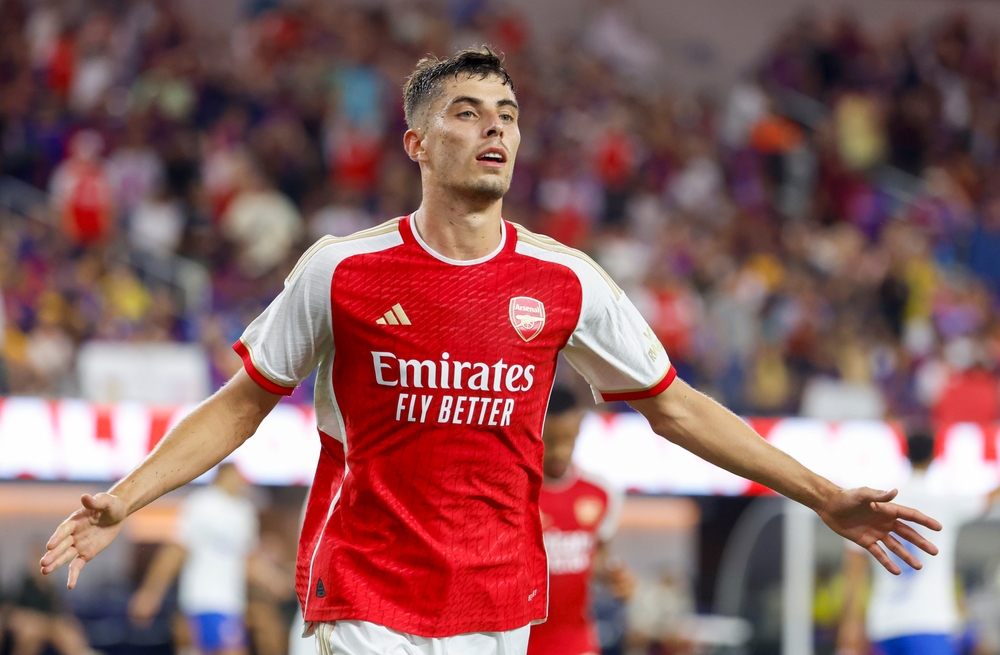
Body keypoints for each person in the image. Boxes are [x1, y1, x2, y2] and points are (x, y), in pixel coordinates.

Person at [42, 47, 941, 655]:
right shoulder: (341, 270)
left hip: (497, 609)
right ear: (417, 143)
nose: (495, 130)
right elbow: (240, 403)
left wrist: (821, 493)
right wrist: (124, 498)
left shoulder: (567, 280)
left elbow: (677, 406)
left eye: (506, 115)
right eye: (467, 114)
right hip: (361, 599)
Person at [838, 429, 1000, 655]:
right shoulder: (944, 503)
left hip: (884, 623)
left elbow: (854, 564)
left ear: (904, 453)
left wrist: (851, 620)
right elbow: (987, 500)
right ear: (934, 456)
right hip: (929, 621)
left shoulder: (878, 505)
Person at [528, 385, 634, 655]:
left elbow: (597, 557)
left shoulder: (600, 493)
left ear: (579, 430)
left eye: (569, 441)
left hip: (577, 641)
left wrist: (614, 576)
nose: (560, 452)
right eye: (550, 441)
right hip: (521, 642)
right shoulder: (517, 493)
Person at [128, 462, 258, 655]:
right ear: (222, 476)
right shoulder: (201, 504)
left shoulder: (244, 512)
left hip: (233, 602)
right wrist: (150, 593)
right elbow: (176, 550)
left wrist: (276, 581)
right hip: (204, 598)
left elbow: (247, 560)